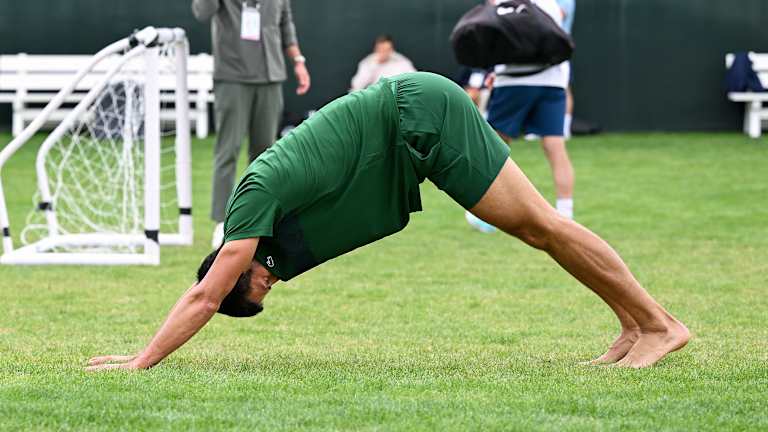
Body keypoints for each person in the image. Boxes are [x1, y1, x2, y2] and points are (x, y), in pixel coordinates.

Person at [85, 72, 689, 372]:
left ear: (238, 265)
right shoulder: (269, 208)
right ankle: (633, 326)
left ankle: (659, 325)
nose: (272, 281)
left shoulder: (249, 207)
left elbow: (203, 297)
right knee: (537, 229)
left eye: (261, 283)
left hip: (419, 116)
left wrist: (142, 359)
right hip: (413, 121)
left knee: (540, 226)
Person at [191, 0, 312, 248]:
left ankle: (260, 223)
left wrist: (298, 61)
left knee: (266, 155)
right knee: (228, 151)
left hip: (270, 77)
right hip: (233, 77)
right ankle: (222, 223)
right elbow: (202, 12)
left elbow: (285, 23)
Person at [484, 0, 575, 220]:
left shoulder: (506, 3)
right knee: (555, 147)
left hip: (513, 82)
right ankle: (566, 214)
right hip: (553, 82)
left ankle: (483, 215)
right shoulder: (552, 5)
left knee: (493, 147)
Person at [350, 35, 416, 91]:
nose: (384, 53)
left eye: (387, 49)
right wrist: (373, 66)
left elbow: (413, 79)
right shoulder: (368, 63)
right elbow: (356, 86)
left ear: (392, 49)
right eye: (381, 49)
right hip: (375, 97)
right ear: (376, 49)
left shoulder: (402, 62)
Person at [556, 0, 576, 139]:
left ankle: (564, 128)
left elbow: (557, 16)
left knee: (563, 88)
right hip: (542, 48)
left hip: (559, 48)